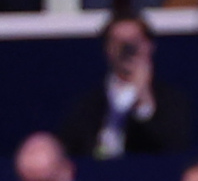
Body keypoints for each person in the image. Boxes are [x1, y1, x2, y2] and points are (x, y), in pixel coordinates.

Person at [62, 11, 187, 159]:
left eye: (134, 41)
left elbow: (172, 149)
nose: (128, 50)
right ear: (107, 48)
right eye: (119, 43)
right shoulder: (87, 105)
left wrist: (143, 101)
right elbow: (72, 151)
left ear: (149, 46)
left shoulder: (171, 100)